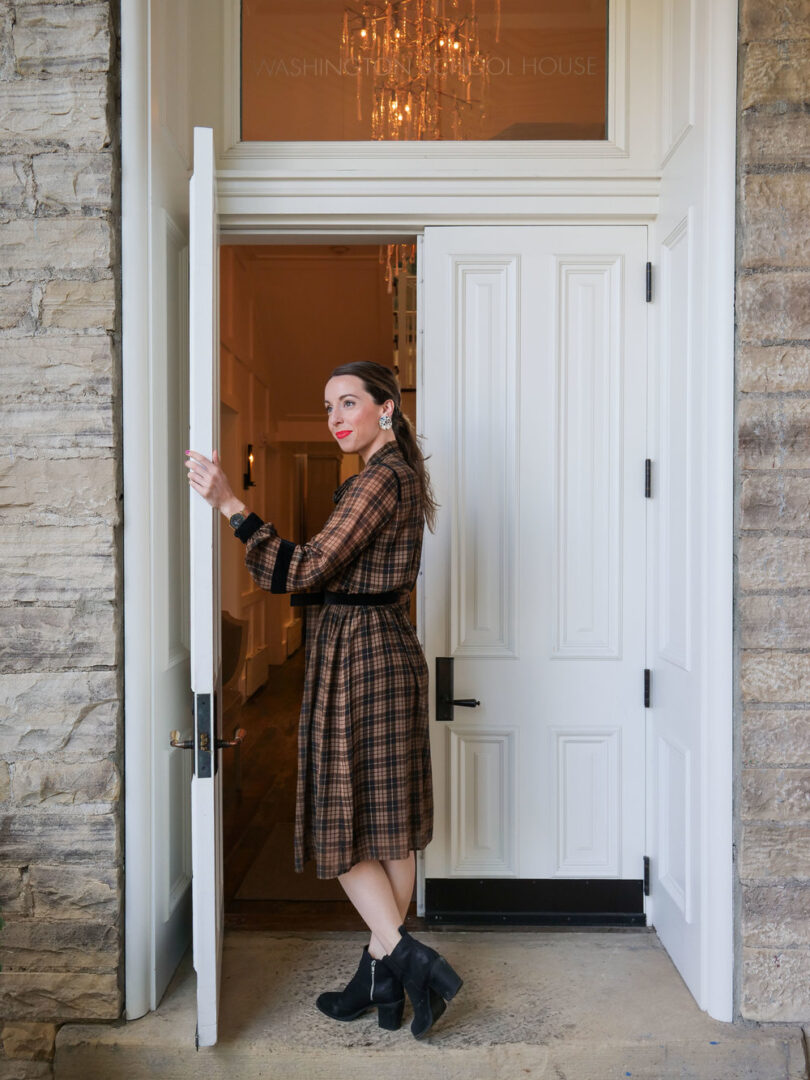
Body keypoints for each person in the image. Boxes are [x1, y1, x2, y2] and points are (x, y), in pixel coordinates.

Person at [185, 360, 462, 1038]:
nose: (335, 417)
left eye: (348, 402)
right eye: (327, 405)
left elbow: (305, 567)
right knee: (389, 820)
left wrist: (229, 504)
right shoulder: (396, 475)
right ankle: (383, 979)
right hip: (382, 644)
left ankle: (408, 958)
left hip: (362, 653)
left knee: (341, 814)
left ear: (386, 409)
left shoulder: (378, 479)